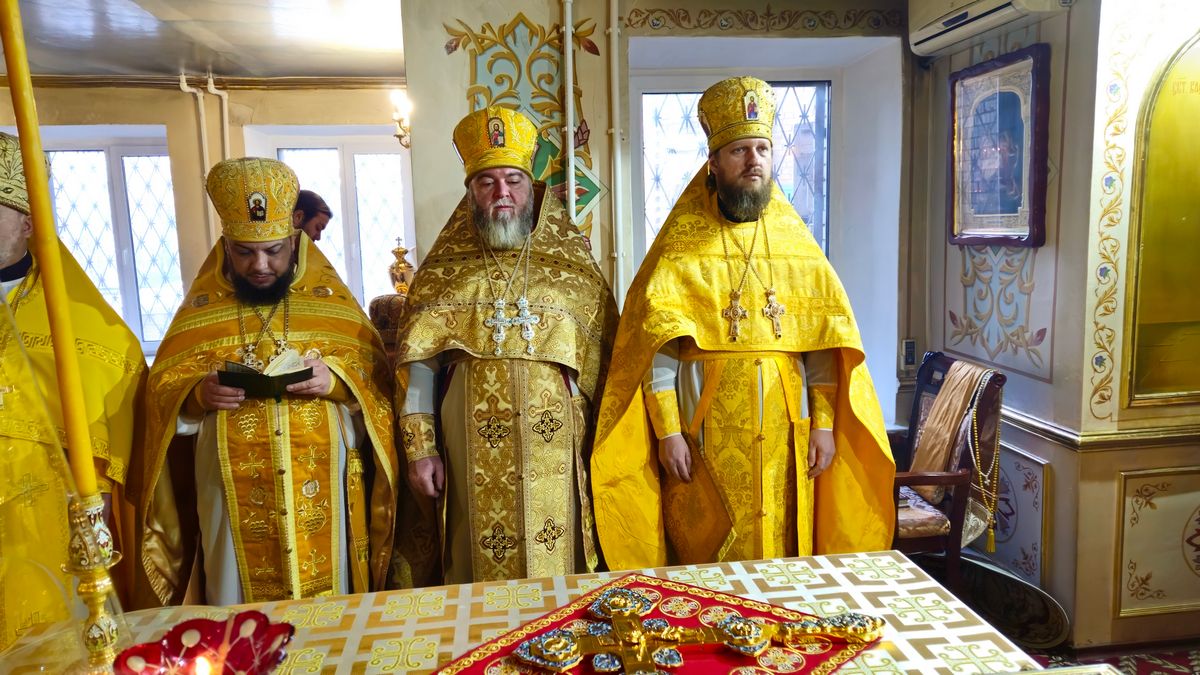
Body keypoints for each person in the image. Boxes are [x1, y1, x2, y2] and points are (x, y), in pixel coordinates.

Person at [590, 77, 895, 570]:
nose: (754, 160)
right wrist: (668, 432)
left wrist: (823, 424)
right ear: (713, 163)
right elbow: (656, 347)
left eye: (762, 149)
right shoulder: (680, 249)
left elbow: (821, 343)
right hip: (703, 430)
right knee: (707, 558)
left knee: (782, 553)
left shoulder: (799, 249)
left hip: (785, 438)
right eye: (739, 151)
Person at [136, 157, 398, 606]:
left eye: (274, 250)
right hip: (228, 490)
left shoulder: (331, 302)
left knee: (330, 603)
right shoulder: (201, 310)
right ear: (226, 245)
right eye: (244, 251)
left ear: (294, 240)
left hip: (322, 483)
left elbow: (375, 377)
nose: (259, 265)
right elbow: (161, 390)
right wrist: (196, 395)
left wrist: (336, 381)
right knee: (234, 602)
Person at [392, 106, 617, 584]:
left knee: (559, 561)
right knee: (473, 560)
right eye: (486, 182)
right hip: (468, 441)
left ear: (531, 187)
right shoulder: (442, 271)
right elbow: (420, 365)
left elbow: (604, 360)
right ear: (470, 192)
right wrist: (420, 449)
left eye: (513, 181)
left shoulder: (572, 266)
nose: (501, 193)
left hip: (555, 442)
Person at [0, 131, 146, 643]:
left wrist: (97, 488)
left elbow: (114, 388)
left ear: (28, 222)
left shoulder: (80, 320)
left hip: (46, 510)